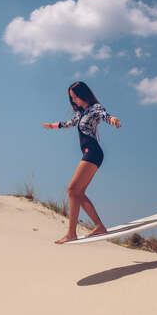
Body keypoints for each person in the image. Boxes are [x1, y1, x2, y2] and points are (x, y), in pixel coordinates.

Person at [42, 81, 122, 244]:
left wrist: (113, 119)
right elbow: (69, 123)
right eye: (71, 99)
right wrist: (52, 126)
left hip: (92, 152)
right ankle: (99, 226)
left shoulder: (95, 108)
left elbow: (105, 115)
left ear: (83, 94)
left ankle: (71, 233)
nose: (74, 101)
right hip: (90, 153)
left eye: (75, 97)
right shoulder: (81, 113)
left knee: (72, 189)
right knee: (78, 193)